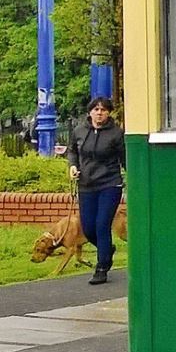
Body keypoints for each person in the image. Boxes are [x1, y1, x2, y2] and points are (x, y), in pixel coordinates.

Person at [67, 96, 126, 285]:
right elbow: (72, 151)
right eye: (96, 109)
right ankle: (107, 249)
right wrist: (73, 166)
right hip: (86, 185)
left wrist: (133, 179)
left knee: (102, 225)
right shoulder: (79, 130)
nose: (99, 113)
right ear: (90, 112)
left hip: (109, 184)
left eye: (103, 110)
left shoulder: (116, 134)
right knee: (88, 228)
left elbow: (125, 158)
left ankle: (102, 268)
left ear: (108, 113)